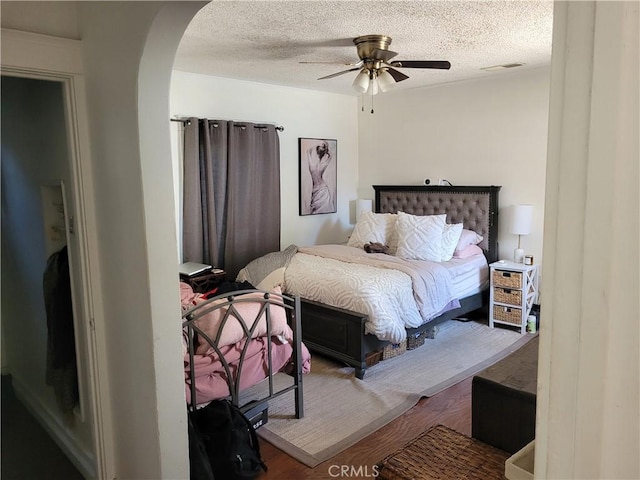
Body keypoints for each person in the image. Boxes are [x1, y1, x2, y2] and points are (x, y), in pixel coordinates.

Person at [306, 140, 334, 214]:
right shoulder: (323, 165)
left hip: (318, 189)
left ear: (316, 152)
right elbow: (331, 154)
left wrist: (317, 145)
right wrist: (326, 147)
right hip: (322, 189)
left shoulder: (312, 165)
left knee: (317, 211)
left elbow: (308, 151)